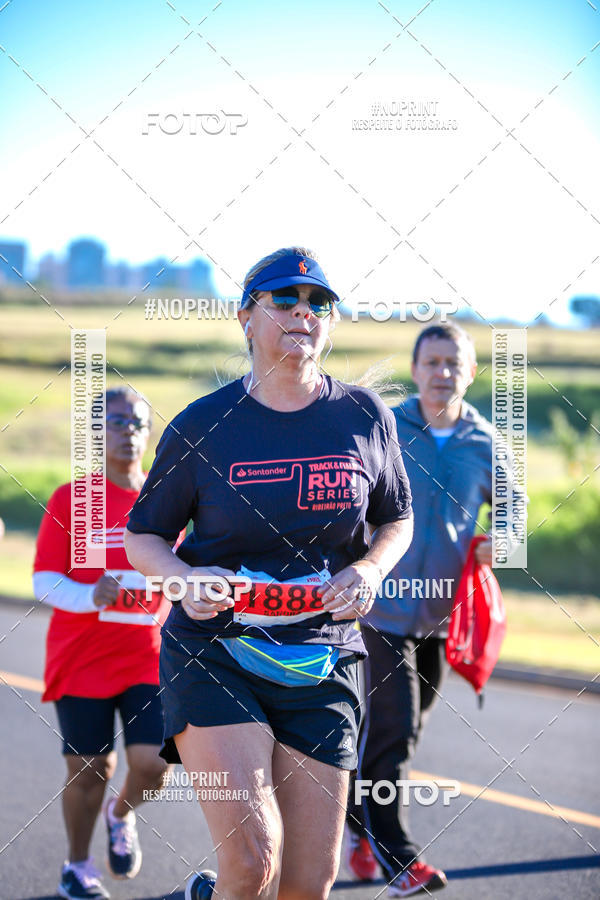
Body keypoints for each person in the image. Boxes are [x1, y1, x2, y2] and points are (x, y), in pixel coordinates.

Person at [124, 246, 415, 900]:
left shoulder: (365, 417)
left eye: (319, 304)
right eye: (284, 300)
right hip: (216, 653)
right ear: (245, 318)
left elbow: (398, 519)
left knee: (308, 883)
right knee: (255, 860)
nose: (303, 313)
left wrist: (369, 569)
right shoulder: (204, 424)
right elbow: (142, 536)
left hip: (325, 658)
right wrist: (183, 581)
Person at [345, 322, 494, 897]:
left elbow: (514, 515)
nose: (442, 373)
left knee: (402, 730)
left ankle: (357, 824)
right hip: (378, 610)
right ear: (414, 369)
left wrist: (500, 545)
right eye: (431, 362)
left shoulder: (485, 443)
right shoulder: (386, 426)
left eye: (454, 363)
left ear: (471, 372)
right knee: (396, 727)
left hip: (440, 616)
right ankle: (397, 855)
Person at [33, 388, 171, 900]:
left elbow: (180, 571)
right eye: (115, 422)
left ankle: (121, 814)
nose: (128, 431)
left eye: (137, 422)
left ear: (148, 432)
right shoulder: (71, 499)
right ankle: (76, 866)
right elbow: (43, 581)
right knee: (91, 767)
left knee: (153, 765)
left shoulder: (163, 500)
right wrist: (91, 594)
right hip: (83, 656)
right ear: (97, 433)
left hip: (147, 656)